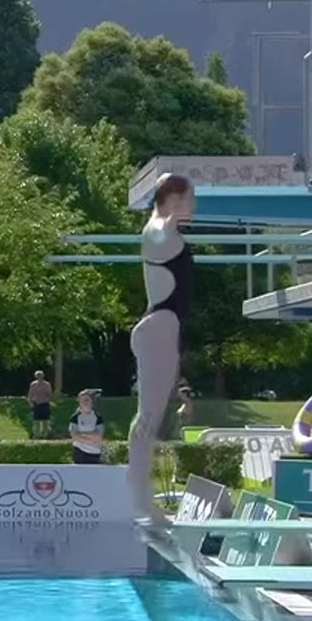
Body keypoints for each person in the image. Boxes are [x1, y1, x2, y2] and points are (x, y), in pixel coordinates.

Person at [130, 173, 194, 522]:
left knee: (149, 418)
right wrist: (169, 223)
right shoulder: (157, 229)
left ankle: (140, 497)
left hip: (161, 327)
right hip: (159, 327)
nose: (194, 206)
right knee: (148, 419)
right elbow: (158, 234)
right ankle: (139, 500)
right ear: (175, 198)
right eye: (190, 198)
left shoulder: (161, 229)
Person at [69, 389, 106, 465]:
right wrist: (90, 438)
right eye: (82, 400)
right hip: (80, 453)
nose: (85, 402)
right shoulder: (75, 417)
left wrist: (82, 435)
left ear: (91, 401)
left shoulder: (98, 418)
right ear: (79, 402)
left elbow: (98, 436)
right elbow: (74, 436)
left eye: (87, 400)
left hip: (95, 452)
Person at [26, 371, 53, 439]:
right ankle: (36, 435)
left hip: (44, 404)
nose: (39, 377)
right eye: (38, 375)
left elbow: (49, 394)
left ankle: (45, 435)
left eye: (40, 375)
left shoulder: (47, 384)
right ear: (36, 376)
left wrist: (47, 399)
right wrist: (30, 403)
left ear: (43, 376)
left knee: (45, 421)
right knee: (36, 421)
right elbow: (30, 394)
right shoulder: (33, 384)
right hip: (36, 404)